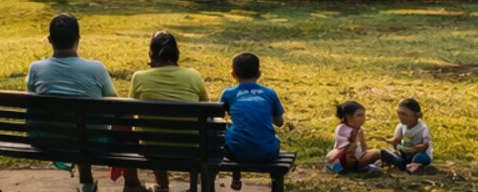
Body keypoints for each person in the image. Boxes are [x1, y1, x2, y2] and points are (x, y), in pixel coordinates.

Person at [26, 14, 114, 192]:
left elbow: (31, 102)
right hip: (92, 142)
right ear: (78, 39)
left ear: (50, 40)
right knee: (85, 130)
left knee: (75, 128)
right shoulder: (96, 69)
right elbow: (114, 104)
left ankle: (86, 183)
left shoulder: (36, 68)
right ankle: (97, 183)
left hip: (48, 140)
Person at [122, 32, 207, 192]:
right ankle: (193, 187)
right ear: (176, 53)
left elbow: (128, 114)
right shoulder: (193, 76)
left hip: (152, 148)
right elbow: (205, 113)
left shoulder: (139, 77)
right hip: (189, 148)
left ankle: (161, 185)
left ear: (151, 54)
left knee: (150, 130)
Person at [219, 52, 285, 168]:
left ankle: (236, 176)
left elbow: (217, 118)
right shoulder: (270, 93)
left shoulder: (228, 94)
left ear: (233, 74)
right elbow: (279, 123)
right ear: (259, 74)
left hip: (236, 153)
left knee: (232, 132)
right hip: (267, 153)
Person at [326, 101, 383, 173]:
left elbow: (364, 147)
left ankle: (366, 166)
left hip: (358, 157)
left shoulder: (359, 129)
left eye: (364, 115)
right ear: (348, 117)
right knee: (378, 153)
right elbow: (348, 150)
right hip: (345, 160)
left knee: (378, 154)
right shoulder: (342, 129)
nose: (363, 118)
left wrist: (366, 155)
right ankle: (357, 168)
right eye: (359, 115)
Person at [384, 98, 432, 173]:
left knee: (419, 158)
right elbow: (397, 139)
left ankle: (413, 165)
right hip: (405, 152)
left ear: (416, 115)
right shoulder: (401, 126)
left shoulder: (423, 128)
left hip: (418, 153)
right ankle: (402, 163)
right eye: (399, 113)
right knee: (393, 153)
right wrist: (391, 141)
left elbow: (426, 145)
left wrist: (416, 148)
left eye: (403, 114)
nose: (400, 117)